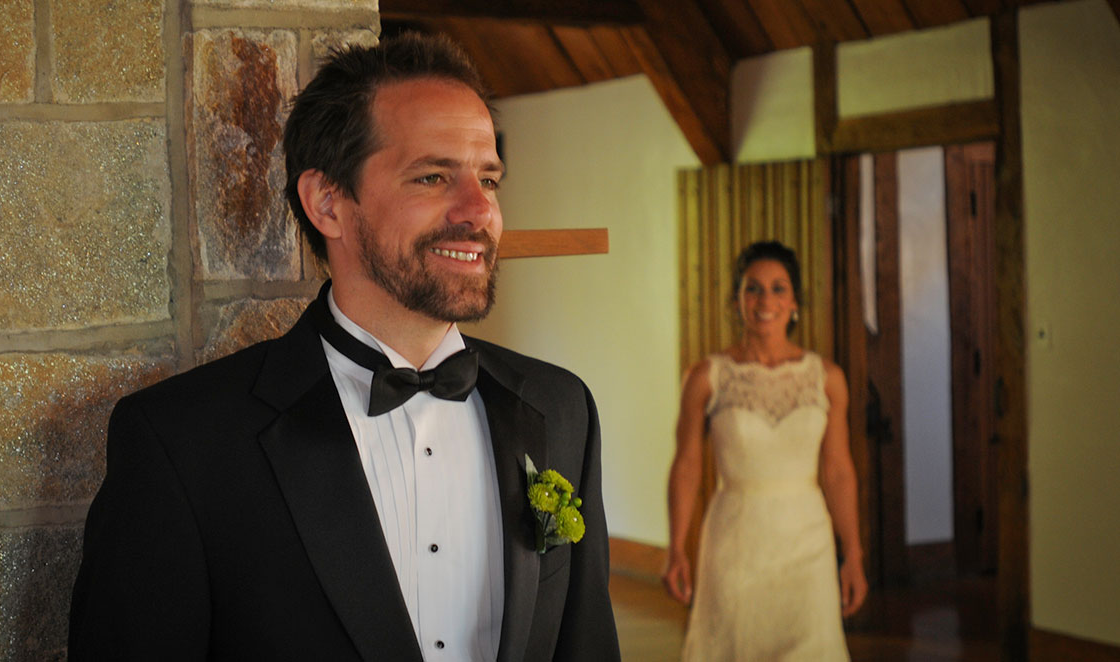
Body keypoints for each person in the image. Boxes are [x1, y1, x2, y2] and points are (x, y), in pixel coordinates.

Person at [68, 33, 620, 661]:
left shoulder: (561, 406)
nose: (478, 211)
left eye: (489, 179)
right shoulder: (183, 442)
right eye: (433, 176)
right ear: (328, 203)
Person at [663, 240, 867, 661]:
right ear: (737, 301)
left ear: (795, 301)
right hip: (735, 542)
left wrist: (854, 554)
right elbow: (686, 466)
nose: (765, 300)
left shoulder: (827, 378)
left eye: (778, 288)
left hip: (808, 544)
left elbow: (839, 472)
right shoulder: (707, 377)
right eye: (752, 288)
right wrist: (676, 547)